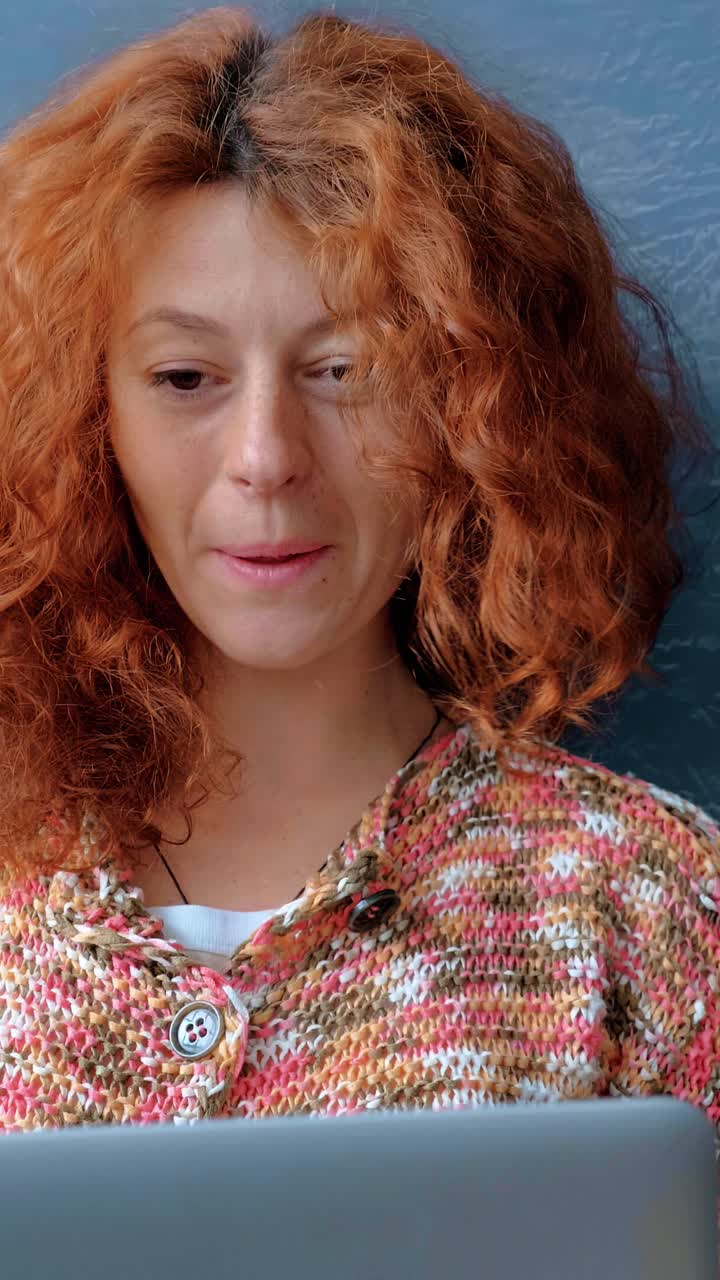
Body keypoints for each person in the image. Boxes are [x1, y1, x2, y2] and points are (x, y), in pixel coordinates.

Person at [0, 3, 718, 1176]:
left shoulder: (651, 910)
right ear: (88, 421)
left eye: (348, 371)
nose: (265, 455)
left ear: (471, 406)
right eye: (185, 375)